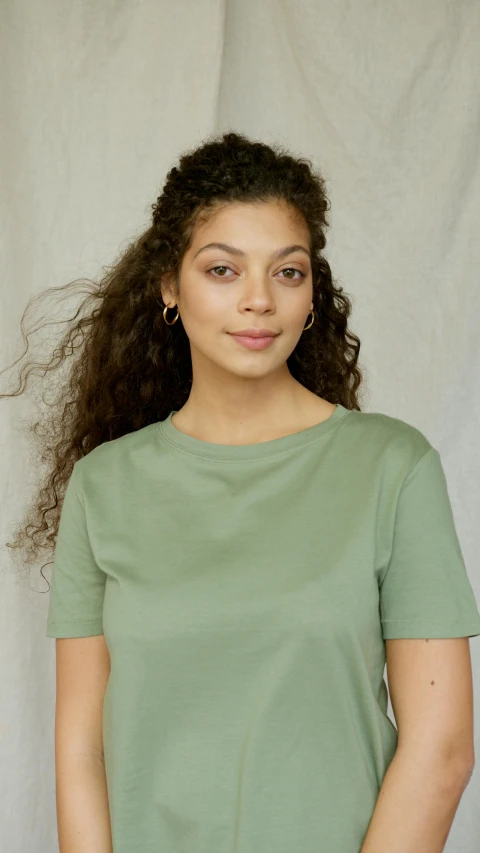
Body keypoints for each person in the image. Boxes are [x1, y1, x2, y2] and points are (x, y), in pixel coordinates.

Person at [6, 131, 480, 852]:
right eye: (223, 269)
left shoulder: (393, 467)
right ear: (170, 285)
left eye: (287, 272)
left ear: (312, 291)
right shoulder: (103, 487)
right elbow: (80, 754)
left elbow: (442, 747)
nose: (258, 300)